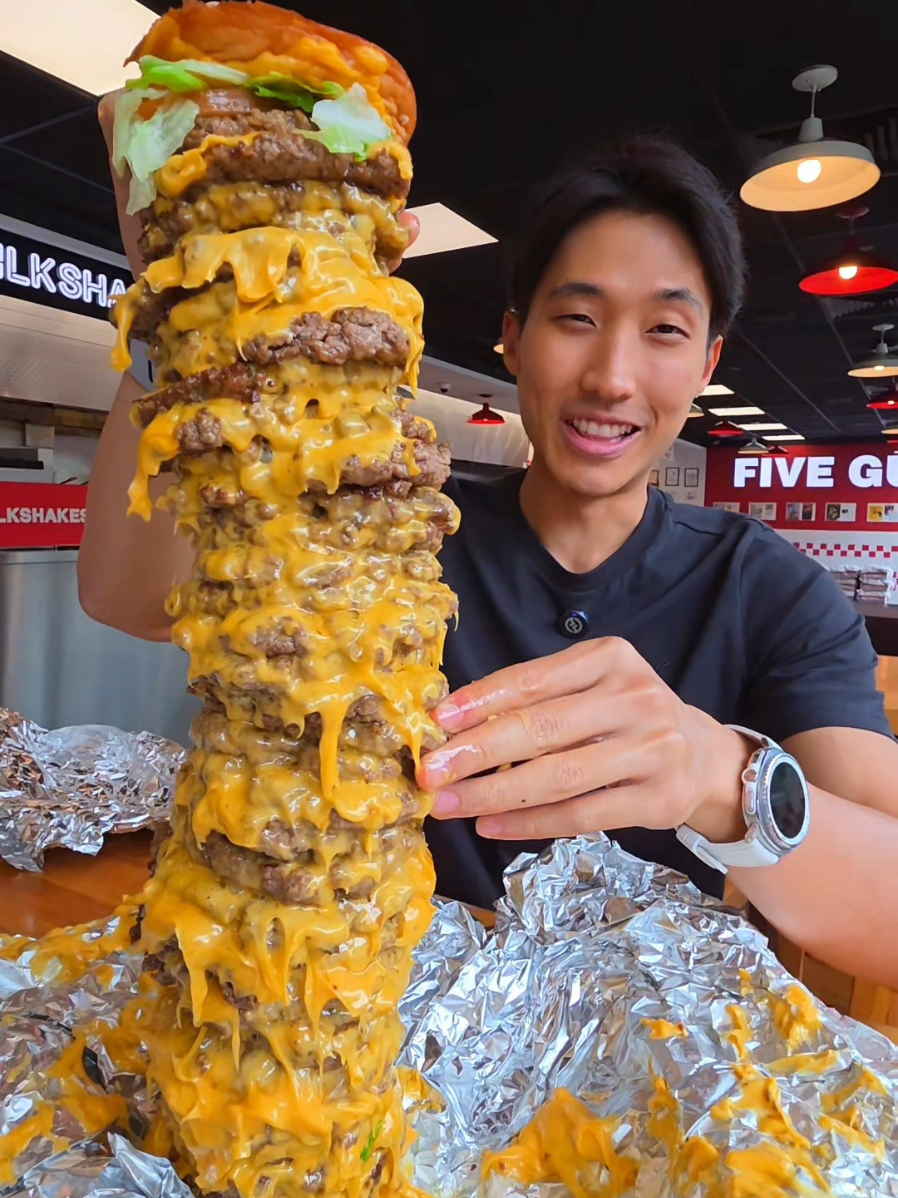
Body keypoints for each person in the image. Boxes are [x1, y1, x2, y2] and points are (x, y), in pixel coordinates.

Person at [80, 117, 898, 988]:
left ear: (708, 363)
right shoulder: (390, 528)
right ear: (513, 338)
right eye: (577, 317)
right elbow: (128, 596)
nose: (613, 376)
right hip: (365, 1016)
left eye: (664, 330)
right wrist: (181, 317)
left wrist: (716, 774)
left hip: (634, 1064)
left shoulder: (774, 591)